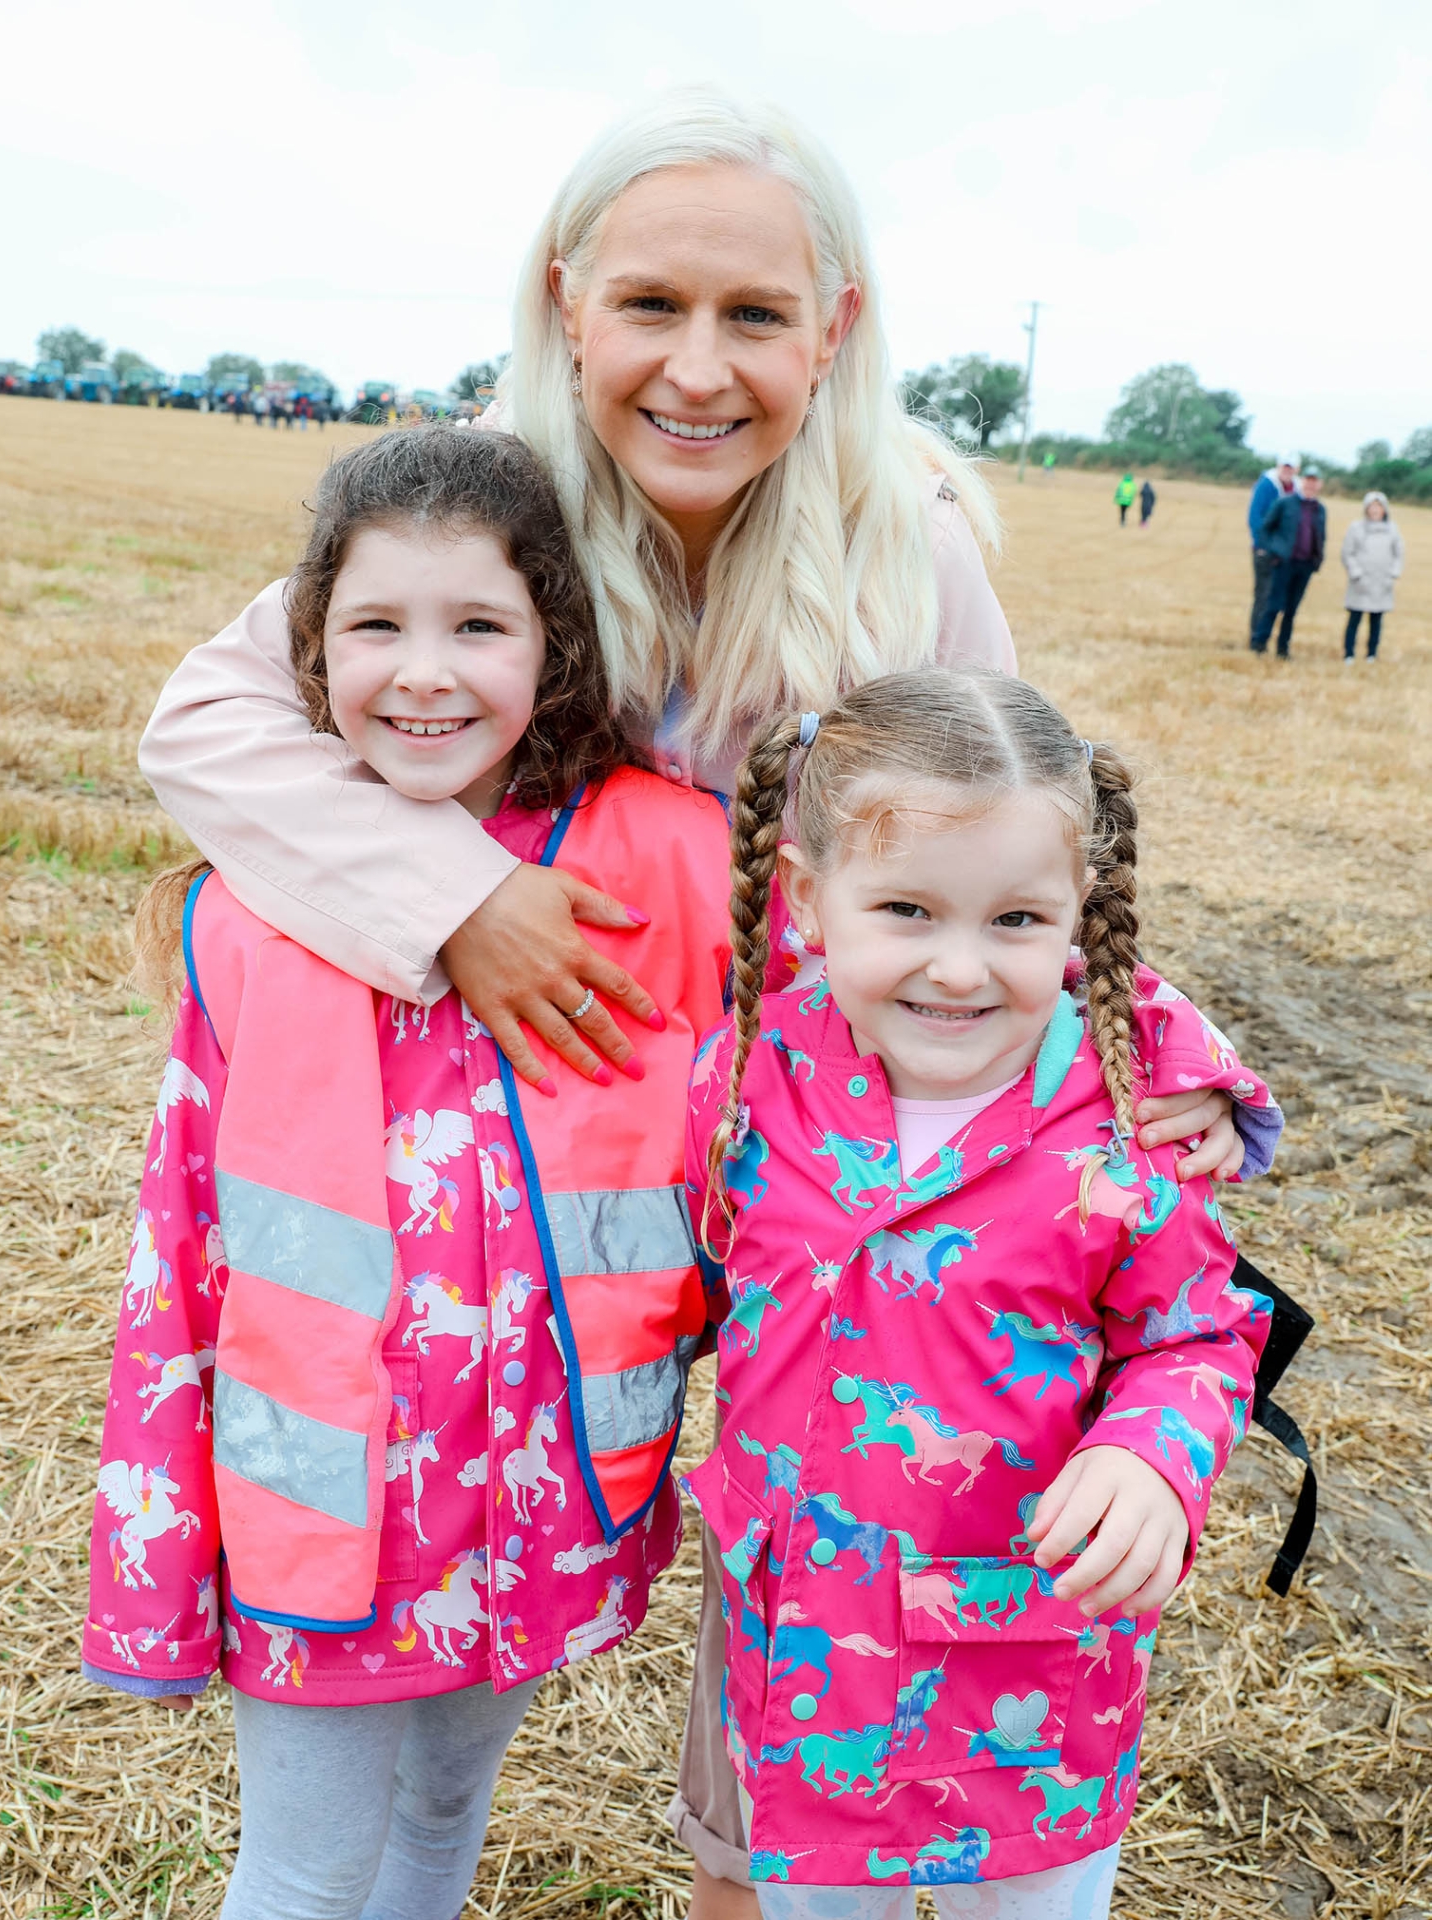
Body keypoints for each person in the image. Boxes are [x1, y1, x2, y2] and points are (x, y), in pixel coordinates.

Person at [134, 91, 1267, 1918]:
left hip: (787, 1169)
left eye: (754, 318)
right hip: (505, 1176)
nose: (696, 367)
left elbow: (1002, 839)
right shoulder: (494, 502)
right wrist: (468, 899)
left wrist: (1151, 1055)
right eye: (648, 306)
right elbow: (205, 722)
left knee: (823, 1548)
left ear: (834, 331)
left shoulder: (911, 547)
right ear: (565, 301)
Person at [83, 425, 736, 1920]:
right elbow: (180, 1258)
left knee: (446, 1816)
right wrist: (155, 1533)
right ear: (308, 649)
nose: (423, 673)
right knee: (305, 1872)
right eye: (374, 625)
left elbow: (891, 1010)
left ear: (554, 649)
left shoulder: (671, 863)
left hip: (548, 1492)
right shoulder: (256, 909)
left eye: (478, 627)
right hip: (318, 1509)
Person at [684, 669, 1274, 1917]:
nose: (958, 970)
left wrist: (1152, 1460)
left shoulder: (1124, 1121)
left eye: (1015, 922)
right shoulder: (744, 1079)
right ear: (806, 897)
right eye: (904, 909)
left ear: (1078, 916)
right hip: (802, 1666)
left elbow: (1200, 1330)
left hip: (1031, 1683)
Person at [1250, 467, 1326, 658]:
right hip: (1283, 562)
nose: (1310, 484)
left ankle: (1283, 648)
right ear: (1302, 482)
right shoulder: (1285, 503)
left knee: (1291, 610)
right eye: (1308, 480)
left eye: (1314, 481)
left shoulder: (1320, 509)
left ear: (1319, 485)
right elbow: (1266, 527)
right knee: (1273, 605)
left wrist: (1317, 559)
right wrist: (1271, 550)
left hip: (1305, 565)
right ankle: (1260, 642)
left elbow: (1321, 535)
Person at [1341, 490, 1403, 660]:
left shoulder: (1392, 529)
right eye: (1372, 506)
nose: (1375, 510)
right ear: (1366, 509)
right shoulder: (1356, 528)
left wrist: (1392, 574)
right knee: (1355, 617)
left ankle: (1371, 654)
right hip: (1360, 581)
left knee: (1376, 619)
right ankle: (1349, 653)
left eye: (1379, 506)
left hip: (1381, 581)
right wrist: (1356, 573)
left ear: (1384, 509)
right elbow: (1348, 553)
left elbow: (1398, 554)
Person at [1247, 454, 1298, 643]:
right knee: (1264, 595)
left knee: (1280, 598)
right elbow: (1255, 517)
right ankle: (1256, 638)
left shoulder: (1296, 489)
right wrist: (1262, 545)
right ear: (1278, 467)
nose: (1287, 471)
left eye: (1291, 468)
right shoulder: (1267, 486)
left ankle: (1272, 638)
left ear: (1296, 470)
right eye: (1284, 467)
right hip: (1265, 550)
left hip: (1285, 553)